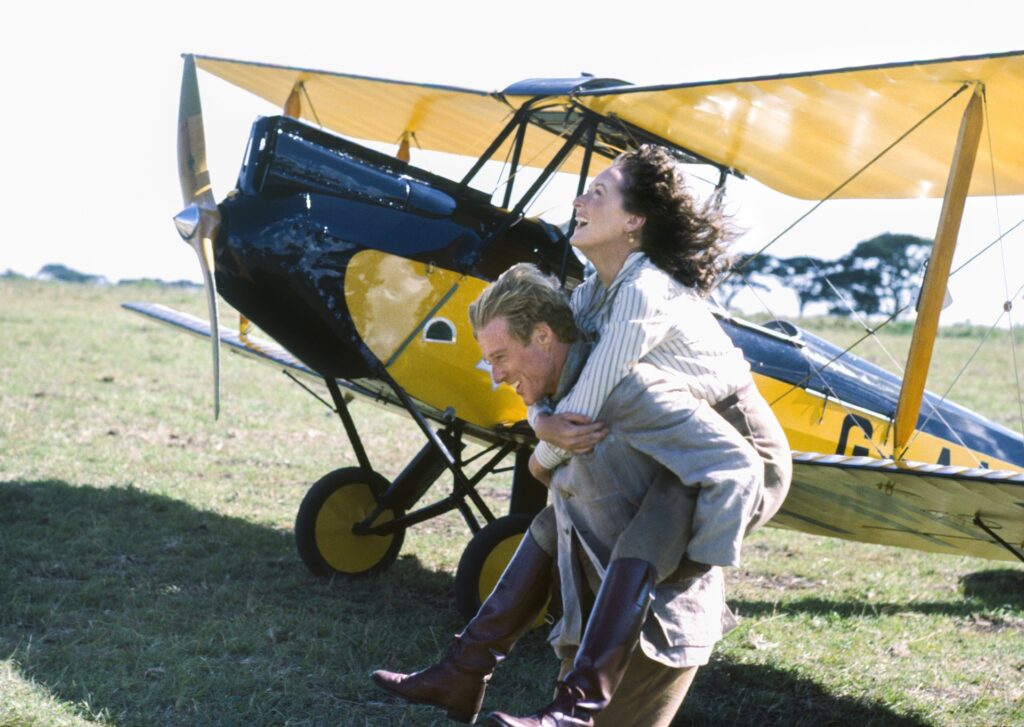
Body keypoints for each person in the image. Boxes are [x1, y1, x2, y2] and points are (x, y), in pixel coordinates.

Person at [372, 146, 791, 726]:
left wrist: (541, 454)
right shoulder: (598, 286)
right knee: (555, 518)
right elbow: (555, 351)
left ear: (634, 220)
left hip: (739, 444)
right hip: (673, 434)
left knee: (646, 535)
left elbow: (592, 395)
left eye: (598, 192)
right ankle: (467, 669)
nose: (579, 200)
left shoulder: (645, 291)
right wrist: (542, 419)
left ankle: (573, 709)